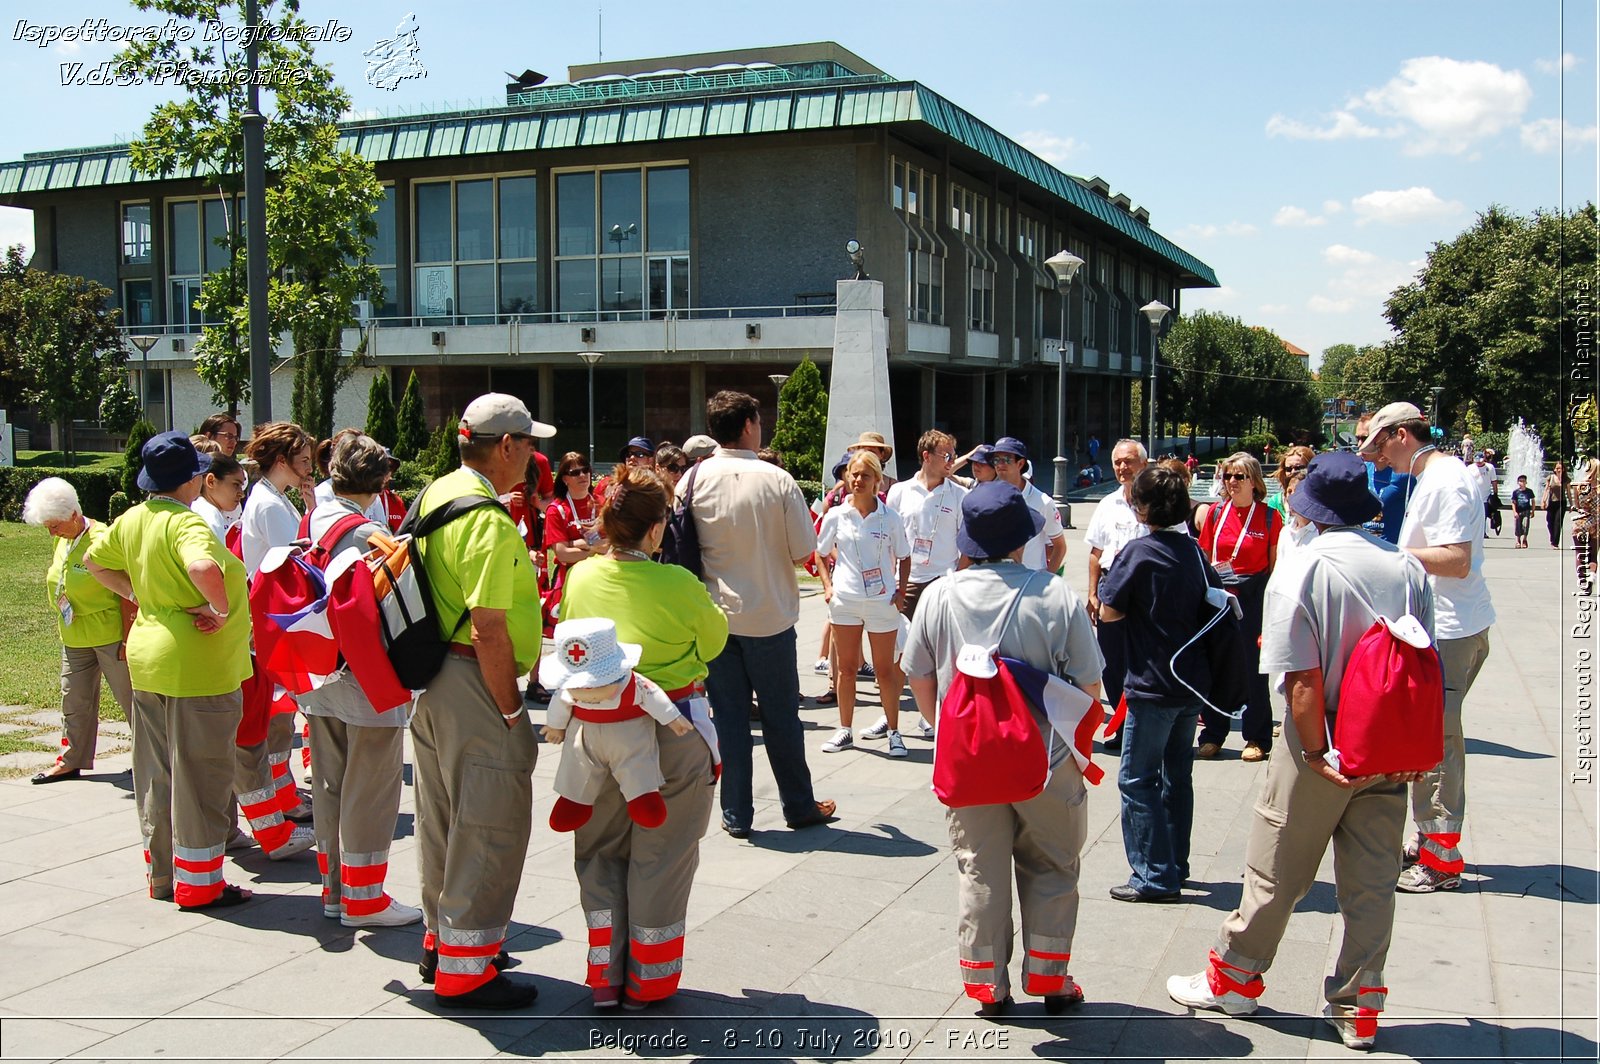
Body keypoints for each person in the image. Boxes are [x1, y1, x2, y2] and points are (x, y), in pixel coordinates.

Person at [1167, 451, 1436, 1052]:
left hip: (1323, 736)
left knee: (1276, 867)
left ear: (1311, 508)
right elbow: (1426, 660)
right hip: (1389, 739)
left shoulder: (1304, 567)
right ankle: (1359, 1008)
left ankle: (1233, 977)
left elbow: (1302, 680)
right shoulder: (1405, 566)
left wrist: (1316, 753)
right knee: (1371, 881)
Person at [902, 481, 1103, 1016]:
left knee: (979, 869)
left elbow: (918, 675)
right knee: (1054, 865)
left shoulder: (939, 594)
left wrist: (947, 727)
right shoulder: (1055, 593)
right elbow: (1088, 687)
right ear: (1022, 539)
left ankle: (987, 983)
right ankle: (1049, 978)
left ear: (966, 539)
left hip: (968, 763)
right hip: (1045, 762)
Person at [559, 463, 727, 1007]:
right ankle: (648, 980)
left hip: (596, 731)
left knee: (601, 851)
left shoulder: (580, 575)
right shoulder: (677, 582)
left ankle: (604, 975)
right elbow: (714, 643)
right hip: (671, 728)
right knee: (664, 855)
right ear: (656, 530)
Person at [410, 393, 553, 1009]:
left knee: (442, 821)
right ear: (506, 446)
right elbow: (489, 626)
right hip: (476, 680)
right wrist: (514, 712)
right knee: (489, 824)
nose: (534, 454)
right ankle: (468, 971)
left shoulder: (436, 493)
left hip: (437, 678)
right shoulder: (489, 521)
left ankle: (443, 944)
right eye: (529, 443)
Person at [86, 432, 254, 909]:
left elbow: (94, 562)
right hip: (197, 664)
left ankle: (162, 875)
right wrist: (219, 610)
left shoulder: (133, 518)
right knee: (201, 774)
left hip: (148, 656)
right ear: (193, 480)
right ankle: (200, 883)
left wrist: (137, 595)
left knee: (156, 773)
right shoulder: (187, 524)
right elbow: (203, 567)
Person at [685, 390, 834, 839]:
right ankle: (798, 805)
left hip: (713, 617)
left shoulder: (689, 480)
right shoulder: (776, 479)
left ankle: (736, 813)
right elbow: (803, 550)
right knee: (780, 717)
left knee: (728, 719)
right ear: (748, 424)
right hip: (768, 615)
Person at [1359, 401, 1494, 893]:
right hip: (1443, 628)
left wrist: (1388, 557)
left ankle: (1442, 858)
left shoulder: (1448, 479)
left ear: (1400, 435)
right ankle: (1432, 838)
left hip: (1453, 631)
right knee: (1430, 740)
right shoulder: (1434, 476)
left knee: (1437, 744)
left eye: (1380, 448)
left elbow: (1457, 560)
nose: (1380, 461)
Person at [295, 434, 423, 930]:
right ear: (382, 479)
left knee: (329, 783)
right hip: (366, 674)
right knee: (370, 787)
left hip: (318, 668)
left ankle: (334, 890)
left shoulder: (313, 517)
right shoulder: (368, 531)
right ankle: (365, 897)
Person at [1097, 465, 1214, 902]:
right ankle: (1175, 864)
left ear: (1142, 508)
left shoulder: (1139, 552)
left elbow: (1109, 610)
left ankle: (1153, 874)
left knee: (1137, 778)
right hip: (1189, 681)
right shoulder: (1194, 552)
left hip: (1151, 681)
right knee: (1176, 776)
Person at [22, 478, 135, 784]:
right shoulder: (62, 538)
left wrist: (128, 637)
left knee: (133, 702)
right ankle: (71, 760)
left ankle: (150, 759)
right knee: (73, 700)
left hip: (111, 635)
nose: (51, 532)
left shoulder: (103, 538)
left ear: (74, 515)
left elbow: (128, 591)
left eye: (55, 525)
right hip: (73, 635)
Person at [860, 430, 966, 742]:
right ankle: (889, 715)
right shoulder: (899, 492)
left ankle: (932, 716)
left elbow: (966, 546)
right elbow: (889, 538)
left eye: (952, 455)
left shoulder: (959, 496)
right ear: (926, 456)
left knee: (940, 654)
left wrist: (956, 580)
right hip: (903, 583)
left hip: (942, 582)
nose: (950, 461)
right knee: (897, 654)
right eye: (945, 455)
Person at [540, 617, 693, 832]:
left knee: (636, 764)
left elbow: (652, 695)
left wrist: (671, 718)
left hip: (629, 732)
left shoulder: (633, 683)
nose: (585, 691)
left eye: (593, 685)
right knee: (577, 765)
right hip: (584, 733)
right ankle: (574, 801)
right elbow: (560, 701)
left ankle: (643, 798)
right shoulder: (568, 689)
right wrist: (556, 726)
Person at [240, 421, 317, 823]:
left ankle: (283, 795)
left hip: (272, 622)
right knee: (277, 720)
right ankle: (277, 799)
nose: (310, 466)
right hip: (275, 624)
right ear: (283, 460)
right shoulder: (269, 503)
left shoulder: (272, 497)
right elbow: (295, 562)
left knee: (280, 719)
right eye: (304, 459)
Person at [816, 450, 911, 757]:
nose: (857, 480)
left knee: (885, 671)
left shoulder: (890, 517)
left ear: (876, 481)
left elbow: (905, 555)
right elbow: (820, 551)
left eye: (864, 476)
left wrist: (900, 591)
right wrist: (828, 587)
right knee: (846, 669)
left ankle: (895, 732)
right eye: (853, 475)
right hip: (845, 602)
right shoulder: (836, 515)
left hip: (881, 602)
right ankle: (844, 730)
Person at [1194, 452, 1281, 762]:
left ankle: (1256, 736)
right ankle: (1213, 734)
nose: (1231, 482)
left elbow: (1274, 566)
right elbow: (1203, 556)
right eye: (1228, 476)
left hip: (1252, 597)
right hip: (1218, 598)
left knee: (1251, 670)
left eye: (1239, 476)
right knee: (1215, 665)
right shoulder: (1216, 514)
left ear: (1254, 481)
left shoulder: (1270, 517)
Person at [1084, 440, 1150, 752]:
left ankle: (1141, 725)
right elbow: (1096, 553)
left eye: (1129, 462)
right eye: (1117, 463)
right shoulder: (1107, 504)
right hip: (1112, 585)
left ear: (1144, 465)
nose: (1122, 468)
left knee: (1145, 660)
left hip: (1146, 590)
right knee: (1111, 662)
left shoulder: (1157, 501)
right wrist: (1092, 593)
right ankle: (1123, 725)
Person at [543, 451, 605, 633]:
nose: (583, 475)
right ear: (564, 479)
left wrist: (576, 544)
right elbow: (562, 554)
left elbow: (613, 543)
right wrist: (594, 549)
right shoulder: (556, 510)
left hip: (601, 576)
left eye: (585, 470)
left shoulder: (602, 503)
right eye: (575, 472)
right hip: (570, 578)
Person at [989, 436, 1066, 573]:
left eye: (1006, 460)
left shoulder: (1043, 502)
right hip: (997, 578)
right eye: (996, 460)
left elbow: (1059, 547)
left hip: (1030, 583)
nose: (1000, 464)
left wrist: (1046, 579)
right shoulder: (988, 496)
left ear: (1020, 464)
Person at [191, 452, 248, 544]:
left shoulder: (198, 509)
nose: (241, 494)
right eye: (236, 484)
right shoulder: (209, 515)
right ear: (211, 481)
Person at [1572, 458, 1599, 595]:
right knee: (1593, 555)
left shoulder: (1579, 486)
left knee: (1579, 555)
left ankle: (1582, 582)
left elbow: (1577, 506)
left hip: (1580, 524)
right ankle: (1591, 576)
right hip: (1596, 525)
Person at [1268, 446, 1314, 522]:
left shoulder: (1318, 503)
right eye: (1289, 469)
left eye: (1299, 468)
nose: (1293, 472)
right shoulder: (1275, 502)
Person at [1543, 460, 1571, 549]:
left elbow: (1569, 493)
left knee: (1558, 522)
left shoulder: (1566, 479)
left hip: (1561, 503)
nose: (1559, 470)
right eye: (1557, 468)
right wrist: (1543, 501)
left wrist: (1572, 504)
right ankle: (1552, 538)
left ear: (1563, 469)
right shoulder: (1550, 477)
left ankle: (1555, 543)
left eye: (1561, 468)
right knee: (1550, 522)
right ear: (1554, 469)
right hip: (1551, 502)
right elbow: (1546, 490)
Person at [1511, 475, 1536, 548]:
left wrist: (1533, 511)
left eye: (1523, 481)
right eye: (1520, 481)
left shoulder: (1529, 491)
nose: (1522, 483)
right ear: (1518, 482)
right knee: (1517, 526)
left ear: (1526, 482)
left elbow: (1533, 501)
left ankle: (1524, 540)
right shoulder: (1516, 492)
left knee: (1526, 525)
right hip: (1518, 511)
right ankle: (1518, 541)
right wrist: (1514, 512)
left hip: (1526, 510)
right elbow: (1513, 502)